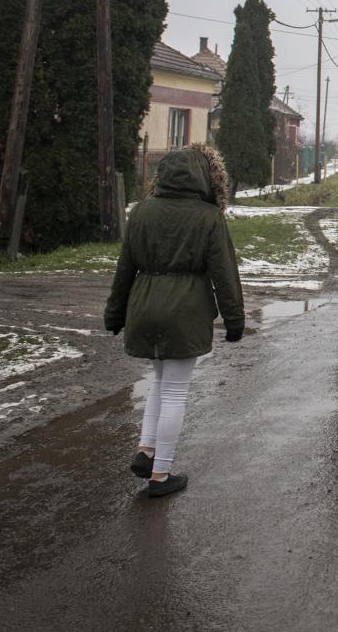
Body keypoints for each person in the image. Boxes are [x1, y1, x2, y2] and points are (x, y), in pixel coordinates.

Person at [104, 143, 244, 498]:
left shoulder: (142, 212)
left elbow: (124, 268)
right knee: (176, 390)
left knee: (159, 381)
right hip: (185, 311)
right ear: (203, 178)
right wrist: (234, 320)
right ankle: (161, 474)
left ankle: (147, 449)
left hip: (144, 306)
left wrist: (114, 313)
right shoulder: (209, 217)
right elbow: (224, 274)